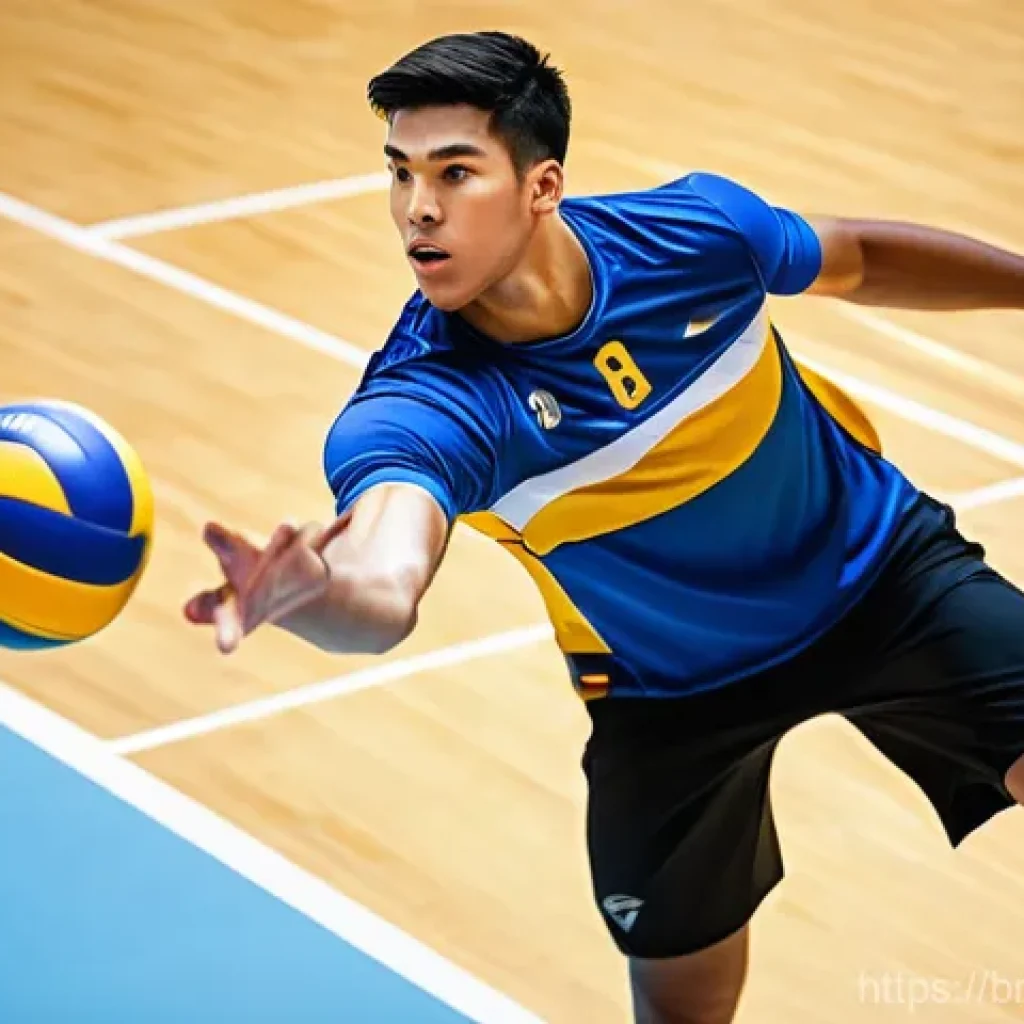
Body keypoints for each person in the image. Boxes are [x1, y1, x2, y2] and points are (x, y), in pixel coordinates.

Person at [184, 30, 1024, 1024]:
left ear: (542, 186)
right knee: (680, 1000)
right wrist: (320, 598)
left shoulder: (695, 238)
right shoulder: (424, 403)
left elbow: (855, 256)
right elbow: (386, 573)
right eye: (401, 173)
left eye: (456, 172)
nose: (418, 207)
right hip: (667, 690)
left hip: (880, 577)